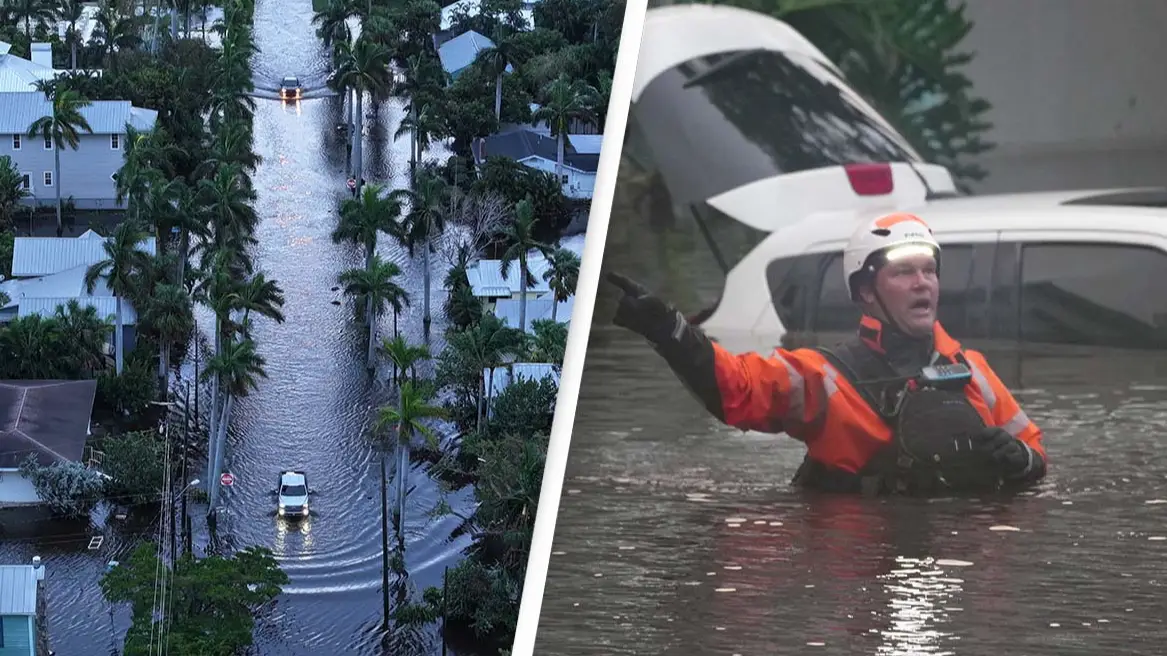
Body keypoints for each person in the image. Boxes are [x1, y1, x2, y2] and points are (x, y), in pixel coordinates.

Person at [605, 212, 1047, 496]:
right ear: (865, 291)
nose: (922, 283)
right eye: (904, 272)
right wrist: (669, 329)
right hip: (853, 571)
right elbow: (735, 388)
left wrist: (1023, 461)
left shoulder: (971, 370)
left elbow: (1034, 450)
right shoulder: (821, 377)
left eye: (929, 271)